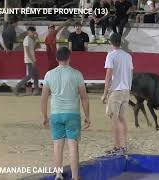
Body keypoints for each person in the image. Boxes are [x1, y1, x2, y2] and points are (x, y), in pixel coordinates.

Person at [41, 47, 90, 180]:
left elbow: (44, 98)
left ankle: (58, 174)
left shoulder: (49, 75)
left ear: (57, 59)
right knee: (73, 146)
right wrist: (87, 116)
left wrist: (45, 116)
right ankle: (75, 177)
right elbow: (84, 97)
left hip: (56, 114)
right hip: (72, 114)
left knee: (57, 146)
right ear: (69, 57)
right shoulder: (77, 74)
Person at [101, 33, 133, 155]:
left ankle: (116, 146)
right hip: (126, 90)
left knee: (114, 119)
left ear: (111, 42)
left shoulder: (111, 55)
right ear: (121, 42)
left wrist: (105, 93)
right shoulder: (128, 56)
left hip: (116, 91)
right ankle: (124, 146)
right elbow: (130, 73)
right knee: (122, 119)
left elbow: (108, 75)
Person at [14, 26, 41, 96]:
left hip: (32, 59)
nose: (33, 33)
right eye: (32, 32)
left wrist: (36, 38)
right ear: (28, 32)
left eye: (33, 32)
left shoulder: (31, 39)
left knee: (36, 75)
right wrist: (32, 61)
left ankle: (36, 90)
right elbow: (27, 51)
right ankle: (17, 86)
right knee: (30, 76)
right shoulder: (26, 39)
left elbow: (36, 47)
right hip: (29, 60)